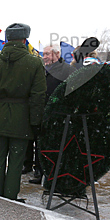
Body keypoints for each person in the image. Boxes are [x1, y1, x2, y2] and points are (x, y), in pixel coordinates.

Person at [0, 23, 46, 201]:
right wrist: (35, 121)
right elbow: (38, 95)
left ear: (7, 39)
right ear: (25, 39)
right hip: (21, 118)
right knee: (16, 161)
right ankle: (10, 197)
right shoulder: (34, 62)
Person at [27, 43, 76, 185]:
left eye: (48, 54)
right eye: (44, 54)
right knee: (41, 145)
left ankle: (55, 176)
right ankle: (40, 172)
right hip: (42, 114)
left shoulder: (68, 70)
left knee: (55, 147)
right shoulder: (41, 70)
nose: (45, 57)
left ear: (57, 54)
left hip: (59, 115)